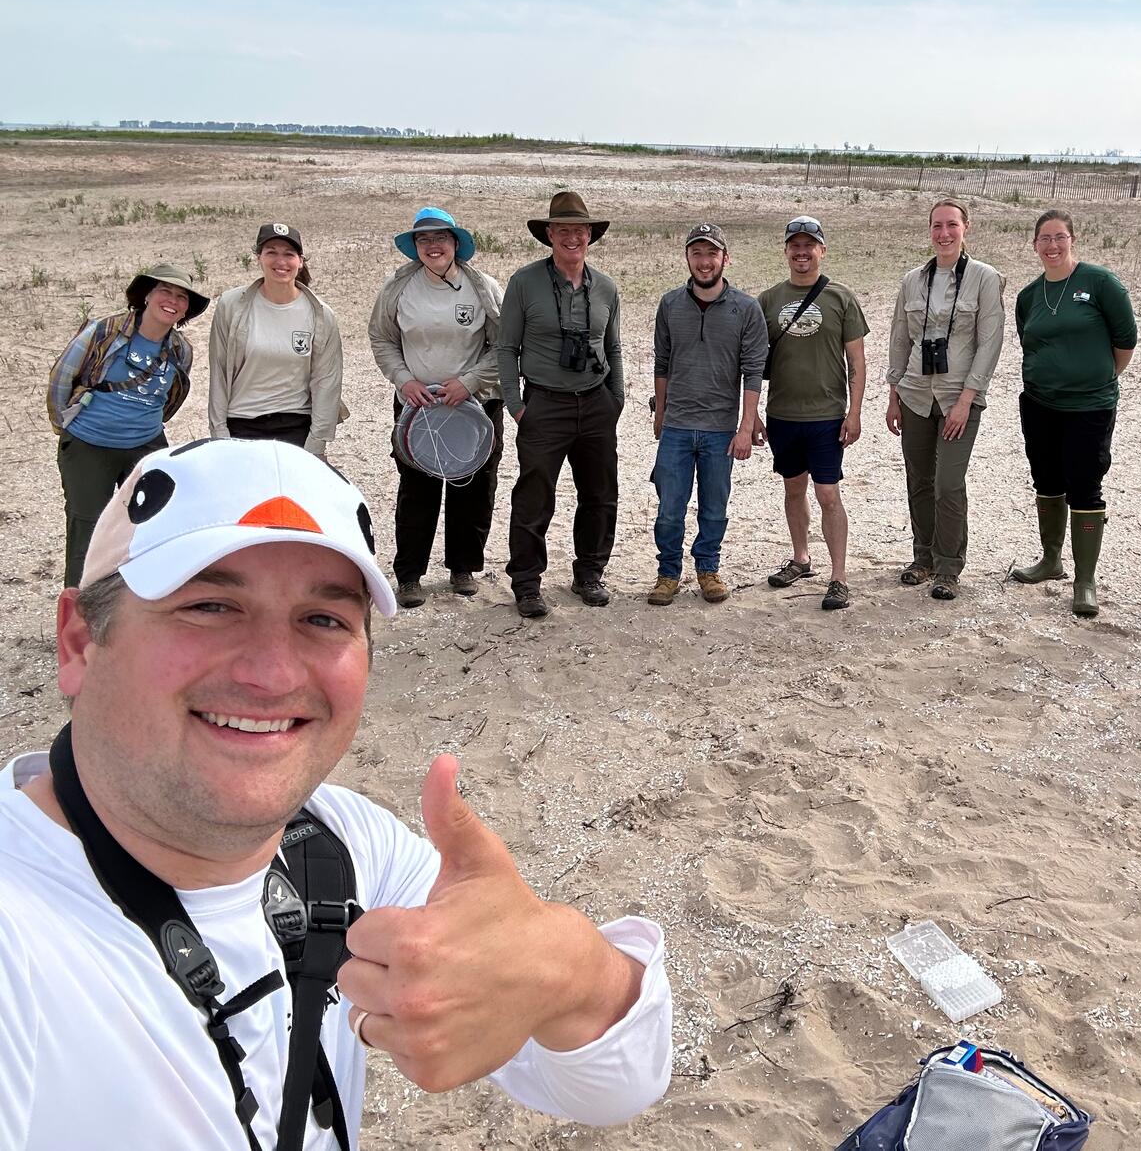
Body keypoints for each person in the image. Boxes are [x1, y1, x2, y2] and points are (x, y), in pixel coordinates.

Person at [0, 438, 672, 1149]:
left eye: (323, 619)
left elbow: (616, 1084)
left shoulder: (341, 848)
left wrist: (569, 967)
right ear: (78, 640)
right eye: (210, 606)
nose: (271, 673)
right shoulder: (20, 934)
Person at [495, 192, 624, 619]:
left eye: (579, 230)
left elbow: (615, 348)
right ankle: (527, 583)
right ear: (549, 234)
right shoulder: (524, 282)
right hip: (543, 405)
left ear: (590, 235)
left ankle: (589, 573)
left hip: (596, 402)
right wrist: (515, 404)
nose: (572, 237)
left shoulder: (605, 287)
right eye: (563, 229)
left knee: (600, 495)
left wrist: (616, 399)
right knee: (534, 496)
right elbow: (506, 346)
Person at [369, 207, 506, 608]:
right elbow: (382, 339)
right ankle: (410, 575)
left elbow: (504, 345)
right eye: (424, 239)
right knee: (418, 489)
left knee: (474, 487)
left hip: (475, 404)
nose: (433, 246)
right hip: (418, 405)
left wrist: (469, 383)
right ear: (414, 247)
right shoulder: (398, 290)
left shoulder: (483, 288)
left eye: (441, 238)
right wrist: (403, 380)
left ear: (455, 243)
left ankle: (462, 568)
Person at [46, 263, 208, 588]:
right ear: (147, 295)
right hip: (89, 445)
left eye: (182, 297)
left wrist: (146, 426)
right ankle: (78, 611)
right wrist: (65, 425)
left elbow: (171, 398)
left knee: (155, 521)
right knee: (87, 528)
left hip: (146, 445)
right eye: (165, 291)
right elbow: (61, 379)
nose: (172, 301)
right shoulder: (103, 332)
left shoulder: (180, 349)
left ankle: (145, 598)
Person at [1009, 210, 1137, 617]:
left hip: (1090, 406)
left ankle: (1084, 580)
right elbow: (1029, 341)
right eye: (1044, 238)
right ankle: (1051, 560)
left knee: (1085, 485)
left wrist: (1096, 378)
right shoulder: (1028, 295)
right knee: (1045, 480)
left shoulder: (1099, 282)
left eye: (1059, 237)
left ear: (1072, 240)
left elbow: (1125, 340)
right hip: (1039, 404)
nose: (1052, 245)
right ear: (1034, 245)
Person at [884, 199, 1004, 602]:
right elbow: (900, 337)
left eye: (952, 225)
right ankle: (923, 558)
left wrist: (968, 398)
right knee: (919, 479)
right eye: (937, 226)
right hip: (916, 393)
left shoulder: (986, 278)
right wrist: (893, 393)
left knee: (948, 483)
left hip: (959, 396)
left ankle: (949, 566)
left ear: (966, 227)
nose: (944, 234)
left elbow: (990, 342)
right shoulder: (912, 280)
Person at [647, 224, 767, 606]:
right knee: (669, 508)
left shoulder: (746, 309)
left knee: (714, 508)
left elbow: (753, 371)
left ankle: (708, 569)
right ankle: (668, 573)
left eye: (711, 253)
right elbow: (662, 363)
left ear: (725, 259)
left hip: (720, 430)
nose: (704, 261)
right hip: (677, 426)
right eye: (697, 253)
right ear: (687, 258)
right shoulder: (669, 305)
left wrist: (745, 428)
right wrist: (660, 414)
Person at [755, 216, 869, 612]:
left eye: (810, 245)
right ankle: (801, 559)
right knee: (792, 489)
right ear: (786, 250)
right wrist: (751, 414)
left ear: (822, 249)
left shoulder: (840, 297)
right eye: (795, 245)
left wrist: (854, 413)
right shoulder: (768, 300)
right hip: (783, 414)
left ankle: (838, 576)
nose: (802, 252)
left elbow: (857, 360)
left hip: (826, 415)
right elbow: (752, 363)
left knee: (828, 494)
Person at [209, 223, 345, 457]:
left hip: (296, 425)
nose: (280, 261)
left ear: (300, 261)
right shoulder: (230, 305)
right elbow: (218, 373)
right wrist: (220, 435)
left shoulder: (321, 315)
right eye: (271, 252)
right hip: (241, 423)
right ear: (258, 257)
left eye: (289, 254)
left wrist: (316, 443)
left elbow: (326, 382)